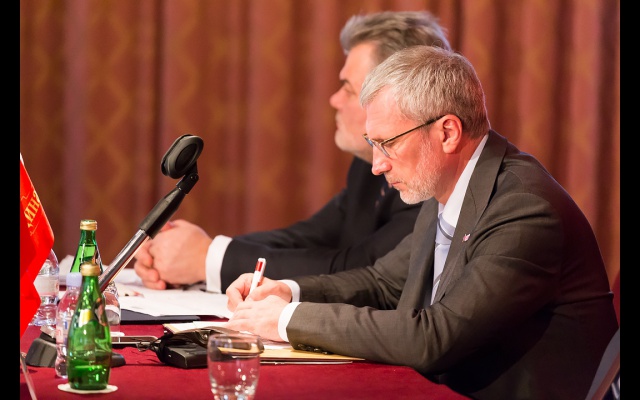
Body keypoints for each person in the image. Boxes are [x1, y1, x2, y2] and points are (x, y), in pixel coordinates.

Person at [225, 46, 619, 399]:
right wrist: (287, 293)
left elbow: (435, 338)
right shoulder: (447, 183)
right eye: (373, 144)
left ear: (447, 132)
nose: (377, 165)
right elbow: (383, 283)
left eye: (389, 143)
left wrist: (287, 321)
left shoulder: (525, 209)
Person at [133, 11, 452, 293]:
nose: (334, 100)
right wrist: (192, 251)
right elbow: (308, 238)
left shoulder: (430, 179)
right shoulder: (365, 166)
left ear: (392, 96)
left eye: (348, 88)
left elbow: (360, 271)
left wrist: (208, 259)